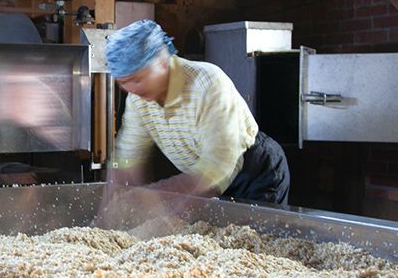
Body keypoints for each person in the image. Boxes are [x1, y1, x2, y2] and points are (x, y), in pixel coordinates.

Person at [106, 19, 290, 205]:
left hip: (252, 172)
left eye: (137, 79)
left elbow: (220, 162)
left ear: (162, 62)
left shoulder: (207, 84)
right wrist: (110, 204)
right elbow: (128, 155)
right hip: (202, 175)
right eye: (123, 82)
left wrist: (157, 196)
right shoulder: (137, 99)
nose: (131, 89)